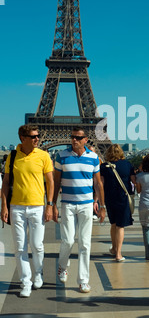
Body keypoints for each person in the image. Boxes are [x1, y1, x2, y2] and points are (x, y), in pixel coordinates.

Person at [0, 125, 54, 298]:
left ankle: (38, 273)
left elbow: (51, 182)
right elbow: (6, 182)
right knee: (19, 247)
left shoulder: (44, 156)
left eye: (38, 136)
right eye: (33, 136)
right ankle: (26, 281)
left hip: (38, 206)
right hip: (17, 206)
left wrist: (50, 205)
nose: (37, 139)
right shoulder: (13, 156)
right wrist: (4, 206)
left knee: (37, 245)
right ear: (23, 138)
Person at [53, 126, 105, 293]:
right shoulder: (61, 156)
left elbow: (98, 183)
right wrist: (52, 204)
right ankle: (63, 265)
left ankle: (83, 279)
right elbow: (56, 182)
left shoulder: (94, 157)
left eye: (77, 137)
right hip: (67, 203)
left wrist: (102, 206)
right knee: (67, 241)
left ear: (85, 140)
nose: (74, 140)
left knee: (85, 243)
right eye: (72, 136)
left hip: (86, 204)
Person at [100, 144, 136, 262]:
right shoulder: (127, 165)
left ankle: (114, 248)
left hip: (110, 198)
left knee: (113, 224)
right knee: (120, 226)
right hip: (123, 198)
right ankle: (118, 254)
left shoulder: (104, 167)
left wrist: (99, 201)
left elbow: (101, 184)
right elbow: (134, 181)